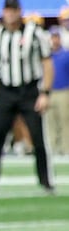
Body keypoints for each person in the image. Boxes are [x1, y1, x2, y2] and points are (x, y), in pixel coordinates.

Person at [0, 0, 55, 195]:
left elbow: (47, 63)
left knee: (38, 138)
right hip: (5, 91)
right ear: (3, 12)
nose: (10, 14)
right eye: (7, 10)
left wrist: (45, 92)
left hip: (29, 91)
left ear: (19, 11)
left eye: (14, 10)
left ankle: (46, 182)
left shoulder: (34, 33)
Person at [50, 27, 69, 157]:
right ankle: (52, 148)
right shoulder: (46, 55)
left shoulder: (66, 54)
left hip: (64, 91)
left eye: (56, 37)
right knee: (51, 122)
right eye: (52, 37)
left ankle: (66, 148)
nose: (54, 40)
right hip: (49, 92)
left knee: (65, 121)